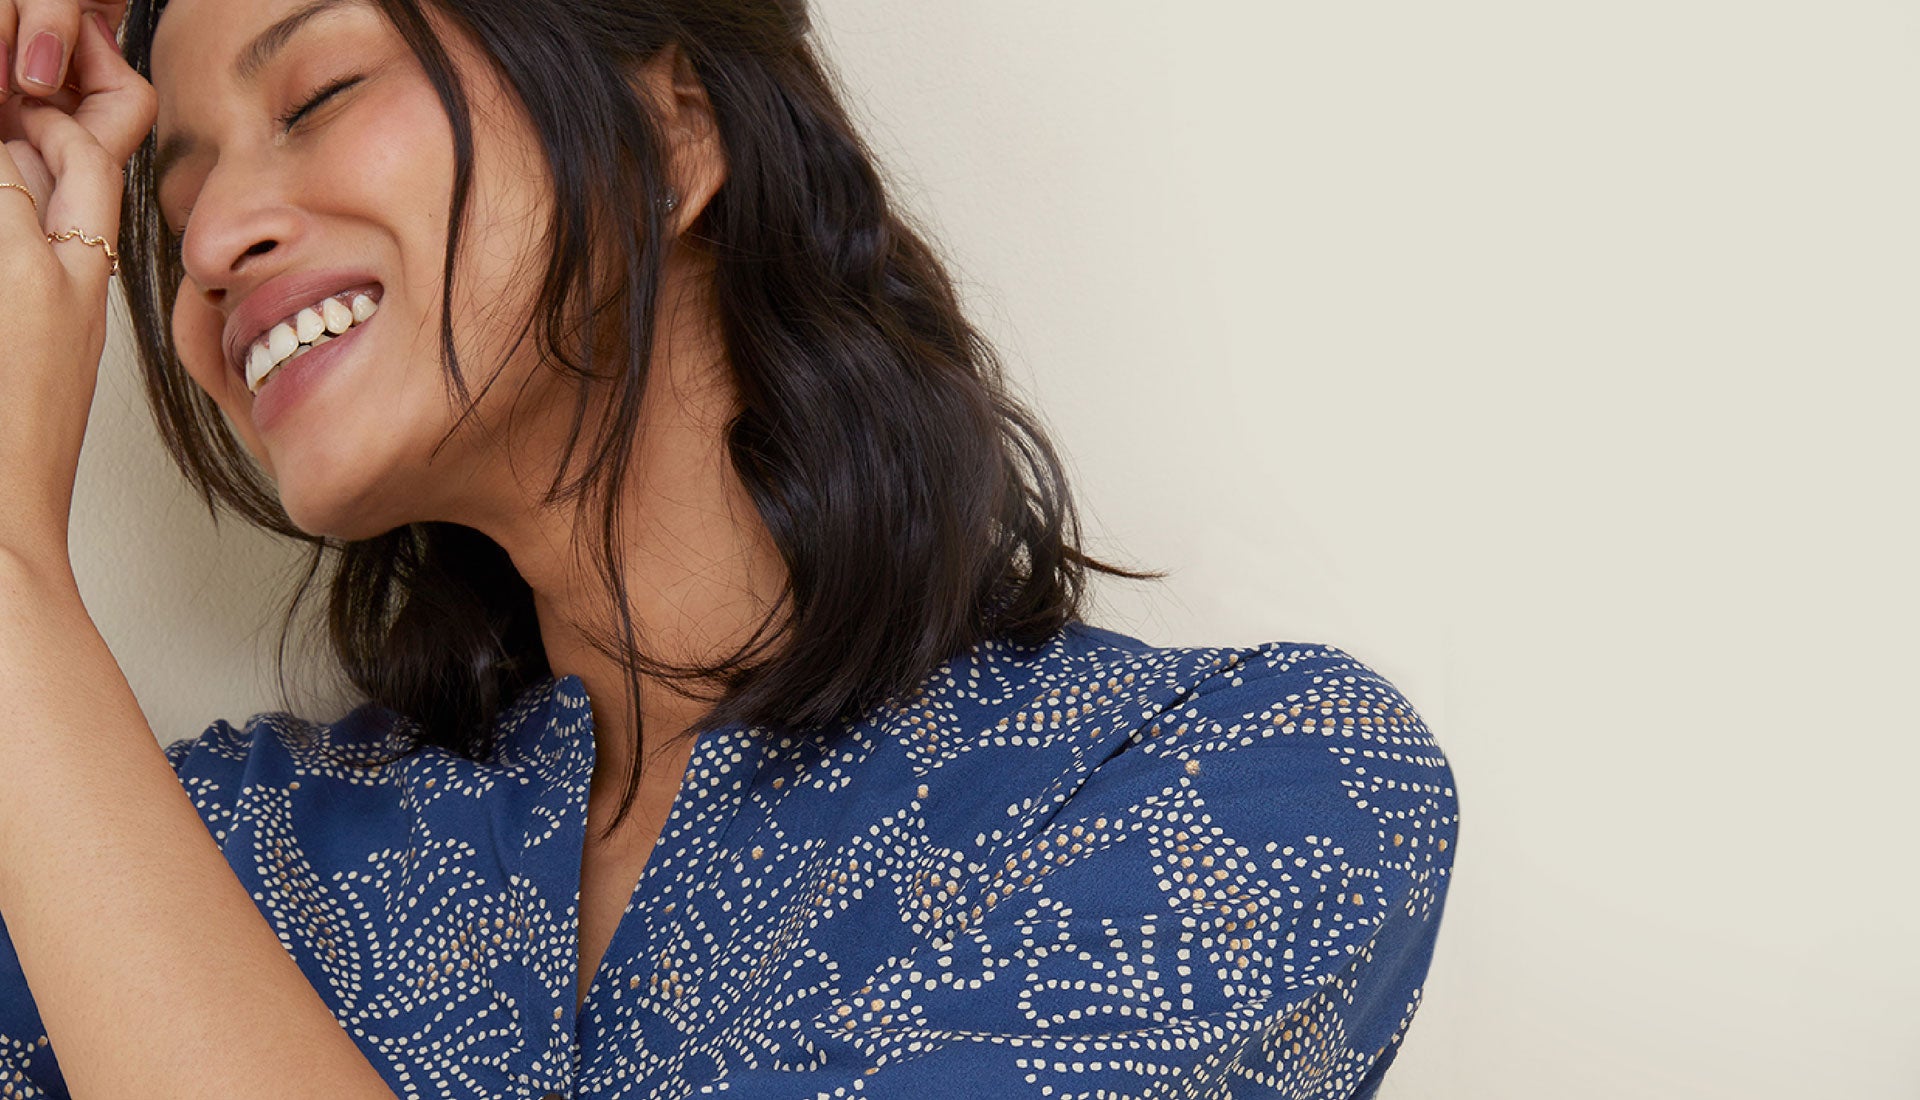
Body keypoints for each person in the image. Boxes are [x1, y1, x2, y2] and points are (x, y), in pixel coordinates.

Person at [0, 0, 1461, 1095]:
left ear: (674, 128)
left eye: (321, 94)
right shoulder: (187, 844)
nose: (207, 247)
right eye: (172, 202)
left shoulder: (1236, 793)